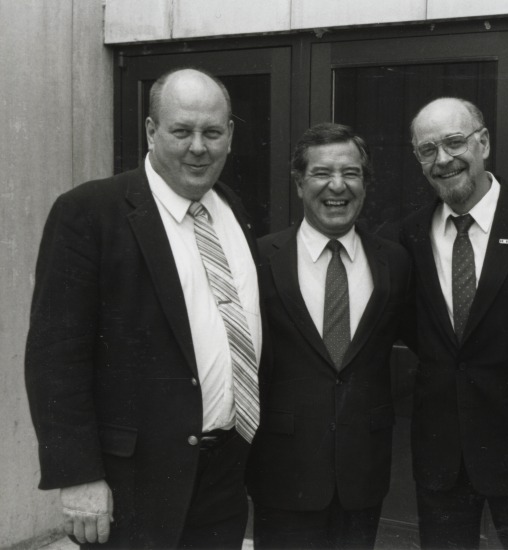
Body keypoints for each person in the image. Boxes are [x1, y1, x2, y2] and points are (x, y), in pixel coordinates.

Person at [25, 67, 263, 548]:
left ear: (230, 136)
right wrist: (79, 476)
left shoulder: (231, 207)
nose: (199, 146)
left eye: (212, 132)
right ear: (151, 132)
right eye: (182, 131)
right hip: (132, 484)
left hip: (223, 474)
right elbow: (55, 356)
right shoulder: (89, 212)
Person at [398, 97, 508, 548]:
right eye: (427, 150)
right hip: (441, 457)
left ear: (484, 143)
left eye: (455, 142)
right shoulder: (403, 237)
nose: (443, 160)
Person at [247, 123, 412, 549]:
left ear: (366, 183)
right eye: (321, 173)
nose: (337, 186)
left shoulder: (394, 261)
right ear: (300, 182)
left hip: (364, 471)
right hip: (284, 471)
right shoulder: (259, 258)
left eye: (351, 173)